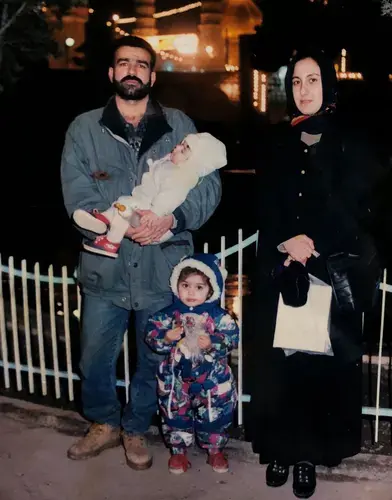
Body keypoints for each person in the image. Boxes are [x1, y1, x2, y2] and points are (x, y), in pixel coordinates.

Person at [60, 35, 221, 469]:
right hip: (105, 269)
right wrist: (117, 221)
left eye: (141, 64)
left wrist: (172, 220)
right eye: (124, 63)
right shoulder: (84, 129)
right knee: (94, 353)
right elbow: (76, 192)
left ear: (152, 74)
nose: (132, 70)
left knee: (156, 356)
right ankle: (103, 423)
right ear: (112, 73)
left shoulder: (181, 127)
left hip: (161, 266)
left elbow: (209, 186)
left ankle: (135, 429)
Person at [247, 47, 392, 499]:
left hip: (328, 271)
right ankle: (280, 450)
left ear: (328, 85)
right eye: (296, 82)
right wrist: (284, 241)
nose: (304, 90)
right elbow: (263, 204)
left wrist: (318, 246)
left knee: (316, 366)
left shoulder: (351, 140)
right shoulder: (276, 141)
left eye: (312, 80)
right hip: (283, 268)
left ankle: (308, 455)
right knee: (280, 365)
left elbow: (362, 208)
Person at [145, 253, 239, 474]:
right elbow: (151, 334)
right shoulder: (168, 315)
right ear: (176, 285)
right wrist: (166, 337)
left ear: (211, 289)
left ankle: (215, 450)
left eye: (199, 287)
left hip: (212, 379)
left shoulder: (219, 317)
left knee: (213, 412)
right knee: (175, 413)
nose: (191, 292)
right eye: (185, 285)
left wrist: (213, 343)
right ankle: (178, 452)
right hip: (176, 378)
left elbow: (232, 338)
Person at [72, 132, 226, 258]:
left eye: (184, 149)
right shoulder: (174, 166)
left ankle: (106, 226)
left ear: (195, 162)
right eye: (181, 143)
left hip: (152, 220)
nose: (177, 146)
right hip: (146, 212)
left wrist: (157, 214)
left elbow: (171, 195)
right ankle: (107, 232)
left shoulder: (182, 175)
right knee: (122, 207)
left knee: (123, 207)